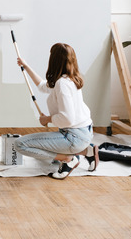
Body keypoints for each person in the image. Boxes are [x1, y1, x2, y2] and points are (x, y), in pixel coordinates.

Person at [15, 42, 99, 179]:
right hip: (85, 132)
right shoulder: (70, 78)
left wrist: (46, 119)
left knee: (20, 144)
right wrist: (26, 66)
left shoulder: (62, 85)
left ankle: (68, 159)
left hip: (73, 137)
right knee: (41, 147)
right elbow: (42, 86)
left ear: (53, 60)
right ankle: (86, 151)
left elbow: (67, 119)